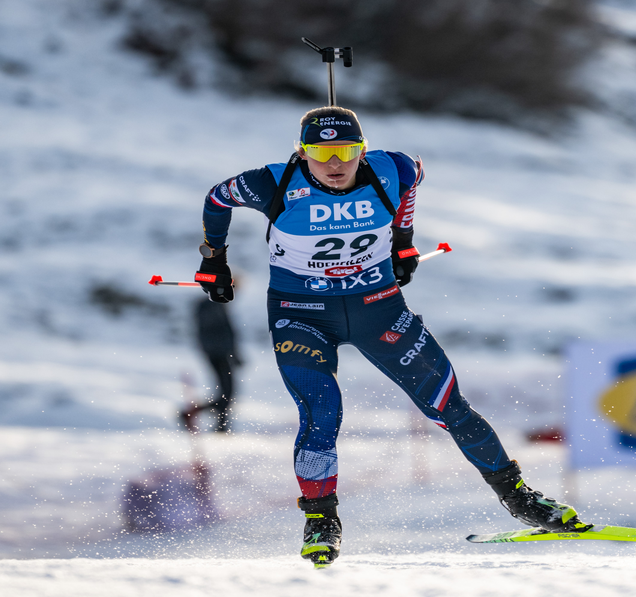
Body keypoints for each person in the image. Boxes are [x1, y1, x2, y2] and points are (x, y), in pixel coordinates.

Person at [193, 106, 588, 567]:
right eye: (322, 153)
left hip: (378, 309)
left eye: (348, 151)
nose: (336, 163)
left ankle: (519, 498)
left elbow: (413, 180)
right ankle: (321, 521)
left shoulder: (392, 168)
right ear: (302, 153)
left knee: (448, 406)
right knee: (322, 413)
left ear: (363, 149)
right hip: (302, 314)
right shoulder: (272, 182)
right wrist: (213, 259)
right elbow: (218, 199)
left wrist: (403, 240)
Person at [186, 296, 242, 433]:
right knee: (226, 391)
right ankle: (196, 414)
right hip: (217, 353)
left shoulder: (217, 304)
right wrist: (229, 352)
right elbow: (218, 330)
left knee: (227, 391)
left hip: (220, 353)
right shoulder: (210, 304)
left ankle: (217, 421)